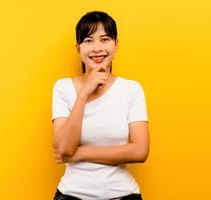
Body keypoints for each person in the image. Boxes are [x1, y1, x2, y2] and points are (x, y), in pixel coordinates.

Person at [51, 11, 149, 200]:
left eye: (104, 39)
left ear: (116, 44)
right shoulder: (63, 88)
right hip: (72, 195)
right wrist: (84, 94)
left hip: (123, 195)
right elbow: (63, 148)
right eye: (88, 40)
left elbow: (140, 150)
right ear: (78, 48)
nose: (97, 48)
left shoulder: (131, 90)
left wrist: (79, 154)